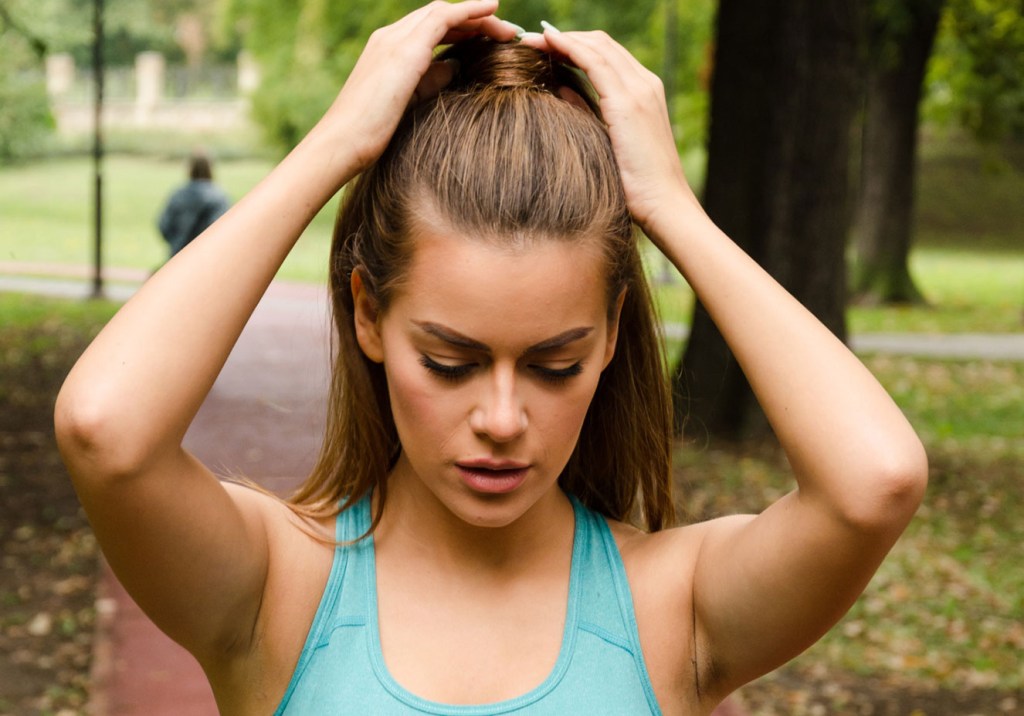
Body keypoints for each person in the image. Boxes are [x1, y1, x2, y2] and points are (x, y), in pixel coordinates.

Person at [54, 2, 928, 714]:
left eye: (555, 365)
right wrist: (335, 146)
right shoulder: (278, 590)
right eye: (449, 361)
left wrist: (676, 213)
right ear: (369, 317)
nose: (503, 420)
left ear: (612, 336)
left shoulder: (673, 608)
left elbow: (875, 481)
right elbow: (105, 429)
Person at [157, 151, 231, 258]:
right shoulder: (219, 196)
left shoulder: (179, 194)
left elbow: (164, 224)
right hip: (209, 257)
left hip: (178, 255)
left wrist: (176, 241)